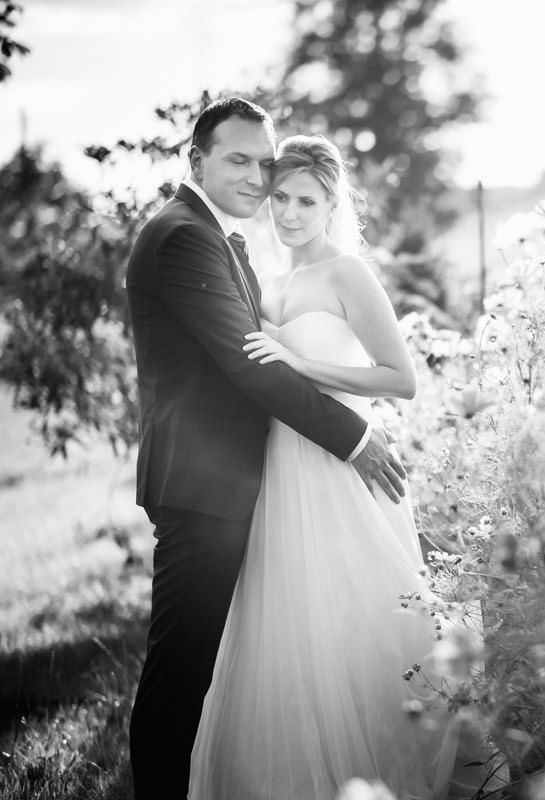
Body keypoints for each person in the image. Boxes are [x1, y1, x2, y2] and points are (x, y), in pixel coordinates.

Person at [124, 97, 407, 800]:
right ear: (197, 160)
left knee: (233, 658)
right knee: (183, 671)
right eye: (240, 162)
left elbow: (366, 368)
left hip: (250, 481)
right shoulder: (186, 235)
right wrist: (356, 438)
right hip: (203, 484)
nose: (259, 184)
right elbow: (248, 363)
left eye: (264, 164)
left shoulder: (218, 238)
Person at [186, 133, 473, 799]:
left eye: (305, 201)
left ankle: (394, 771)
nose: (287, 214)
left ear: (332, 203)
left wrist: (299, 361)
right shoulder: (272, 279)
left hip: (344, 474)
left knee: (364, 617)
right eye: (280, 198)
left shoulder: (347, 273)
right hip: (281, 474)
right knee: (292, 628)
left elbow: (400, 379)